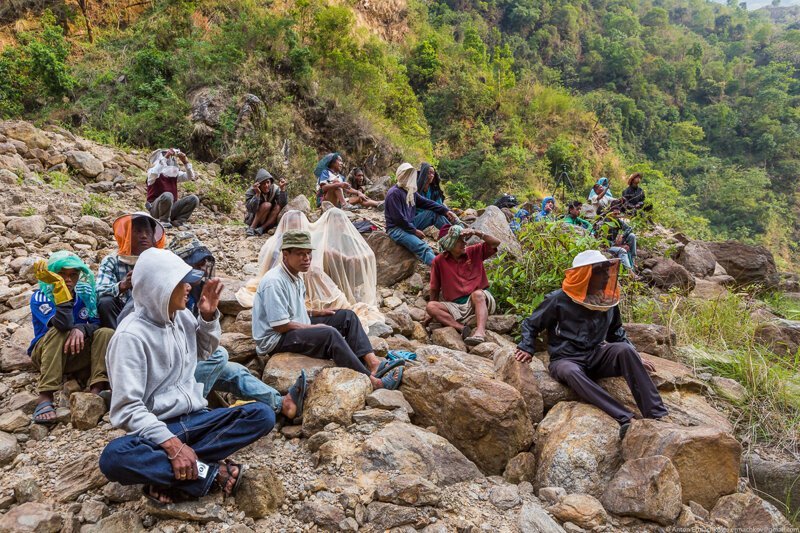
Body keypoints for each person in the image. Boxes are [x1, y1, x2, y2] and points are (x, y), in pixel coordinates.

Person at [99, 248, 274, 504]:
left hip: (196, 420)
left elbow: (203, 350)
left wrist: (207, 317)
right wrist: (172, 445)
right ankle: (208, 473)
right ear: (160, 287)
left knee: (263, 414)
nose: (189, 287)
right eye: (181, 282)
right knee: (114, 457)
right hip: (159, 429)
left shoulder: (179, 317)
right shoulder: (130, 338)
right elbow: (127, 409)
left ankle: (170, 474)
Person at [514, 250, 667, 438]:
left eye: (606, 272)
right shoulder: (558, 299)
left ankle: (656, 414)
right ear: (585, 275)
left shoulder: (607, 300)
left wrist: (636, 357)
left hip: (596, 355)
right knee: (571, 371)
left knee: (626, 350)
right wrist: (526, 347)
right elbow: (531, 323)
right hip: (565, 359)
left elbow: (616, 332)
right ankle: (625, 418)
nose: (606, 277)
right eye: (600, 272)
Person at [252, 230, 403, 391]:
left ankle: (374, 363)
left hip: (291, 326)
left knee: (347, 316)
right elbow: (280, 326)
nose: (307, 258)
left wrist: (315, 313)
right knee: (329, 333)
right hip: (276, 339)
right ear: (285, 254)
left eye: (309, 253)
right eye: (300, 254)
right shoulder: (274, 282)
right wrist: (315, 328)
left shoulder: (296, 275)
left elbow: (293, 310)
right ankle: (372, 381)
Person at [28, 252, 112, 425]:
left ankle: (97, 387)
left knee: (106, 333)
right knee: (60, 332)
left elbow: (96, 323)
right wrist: (60, 292)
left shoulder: (85, 293)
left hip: (74, 352)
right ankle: (46, 395)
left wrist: (82, 328)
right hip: (47, 354)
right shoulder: (41, 296)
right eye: (61, 275)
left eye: (73, 274)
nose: (68, 279)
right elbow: (62, 325)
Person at [426, 225, 500, 346]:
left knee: (477, 294)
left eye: (464, 240)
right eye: (459, 241)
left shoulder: (474, 251)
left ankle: (480, 332)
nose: (464, 243)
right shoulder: (438, 261)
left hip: (479, 300)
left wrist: (476, 232)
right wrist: (431, 314)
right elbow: (434, 288)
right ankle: (462, 328)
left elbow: (496, 243)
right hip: (456, 306)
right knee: (431, 306)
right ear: (450, 244)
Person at [96, 213, 166, 329]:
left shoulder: (161, 261)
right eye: (138, 232)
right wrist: (123, 285)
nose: (144, 236)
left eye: (148, 232)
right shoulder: (112, 260)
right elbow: (99, 291)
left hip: (151, 312)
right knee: (105, 302)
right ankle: (118, 338)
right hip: (120, 312)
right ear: (127, 235)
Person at [385, 162, 457, 265]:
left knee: (433, 214)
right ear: (399, 175)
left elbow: (427, 203)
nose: (409, 177)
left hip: (409, 224)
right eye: (406, 174)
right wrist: (414, 231)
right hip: (396, 229)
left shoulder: (410, 191)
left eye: (410, 174)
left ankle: (454, 237)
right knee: (424, 248)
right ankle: (443, 272)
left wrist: (445, 211)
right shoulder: (394, 193)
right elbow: (398, 219)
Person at [146, 148, 200, 229]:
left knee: (193, 199)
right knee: (167, 195)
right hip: (156, 210)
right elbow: (155, 172)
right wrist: (166, 156)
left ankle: (179, 221)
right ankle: (164, 221)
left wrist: (185, 162)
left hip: (171, 209)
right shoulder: (152, 173)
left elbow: (191, 176)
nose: (169, 160)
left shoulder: (173, 175)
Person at [245, 168, 288, 237]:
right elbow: (251, 209)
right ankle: (252, 228)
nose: (266, 185)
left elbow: (283, 205)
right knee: (267, 205)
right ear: (258, 184)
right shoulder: (251, 191)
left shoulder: (275, 189)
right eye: (263, 183)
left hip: (269, 220)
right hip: (254, 219)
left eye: (268, 182)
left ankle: (262, 229)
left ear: (271, 182)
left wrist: (282, 189)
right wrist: (257, 195)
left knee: (278, 206)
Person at [595, 206, 638, 270]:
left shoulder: (618, 221)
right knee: (622, 250)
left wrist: (623, 236)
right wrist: (619, 245)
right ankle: (630, 271)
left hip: (615, 242)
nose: (617, 216)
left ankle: (633, 259)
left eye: (618, 214)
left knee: (632, 236)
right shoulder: (603, 223)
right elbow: (601, 240)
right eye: (615, 214)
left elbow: (629, 228)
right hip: (606, 245)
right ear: (609, 214)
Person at [414, 163, 448, 231]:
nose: (432, 175)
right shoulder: (415, 190)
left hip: (432, 217)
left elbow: (439, 206)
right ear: (424, 173)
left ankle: (458, 230)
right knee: (432, 213)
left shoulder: (434, 191)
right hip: (417, 220)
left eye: (433, 173)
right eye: (429, 173)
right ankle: (452, 232)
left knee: (447, 214)